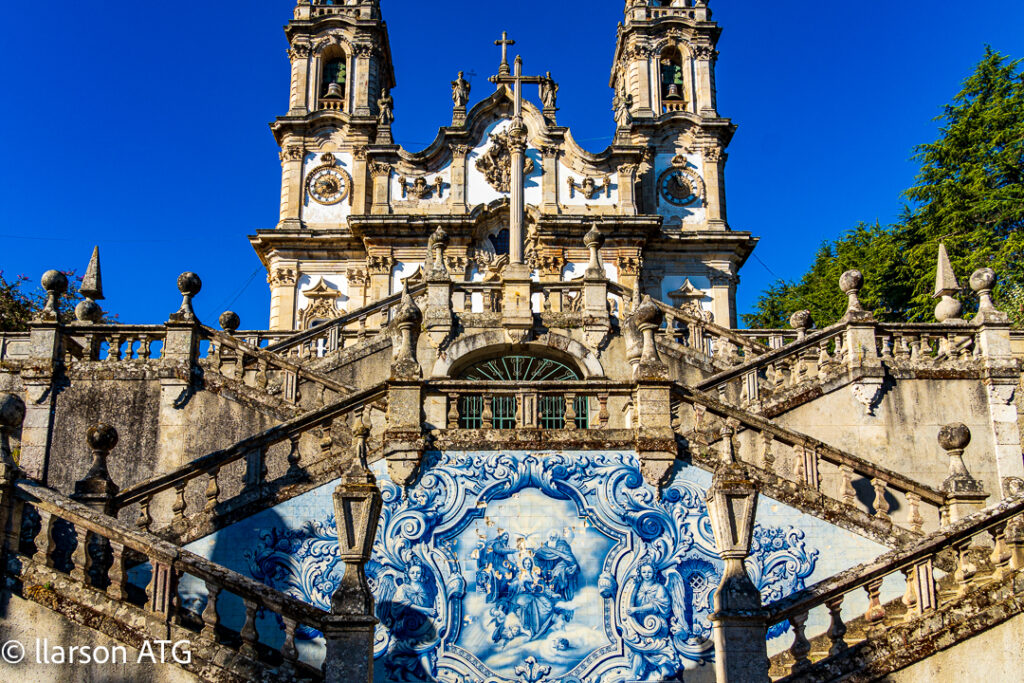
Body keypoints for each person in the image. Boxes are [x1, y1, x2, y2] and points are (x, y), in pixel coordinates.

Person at [533, 529, 580, 601]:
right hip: (548, 568)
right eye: (551, 537)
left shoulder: (563, 546)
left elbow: (569, 558)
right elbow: (537, 555)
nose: (552, 539)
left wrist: (572, 566)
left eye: (554, 537)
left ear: (557, 538)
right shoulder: (545, 546)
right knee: (543, 575)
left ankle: (559, 596)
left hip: (560, 567)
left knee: (558, 575)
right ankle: (549, 595)